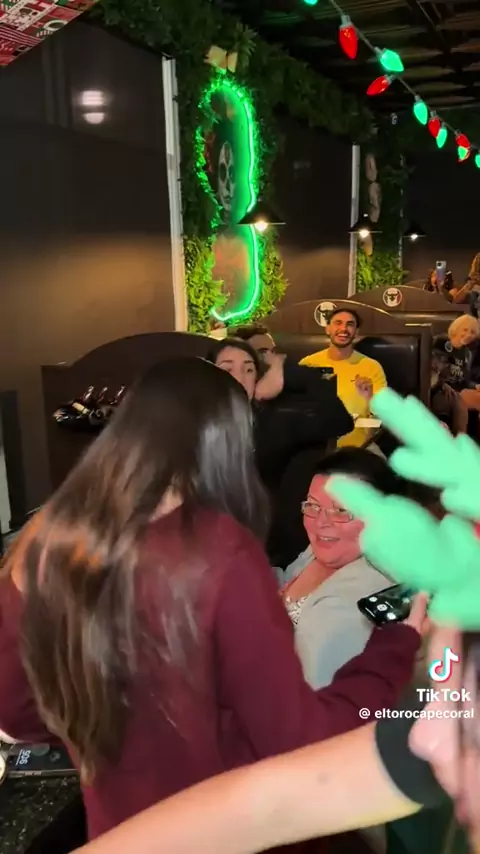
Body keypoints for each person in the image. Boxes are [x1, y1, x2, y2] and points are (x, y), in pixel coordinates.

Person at [0, 358, 424, 844]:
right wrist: (394, 647)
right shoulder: (218, 552)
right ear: (228, 443)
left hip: (121, 833)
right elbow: (299, 740)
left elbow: (17, 713)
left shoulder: (48, 539)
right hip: (222, 831)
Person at [72, 389, 480, 854]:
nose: (423, 737)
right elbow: (263, 802)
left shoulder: (346, 607)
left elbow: (299, 753)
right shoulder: (321, 558)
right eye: (312, 506)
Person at [276, 449, 419, 690]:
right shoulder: (331, 548)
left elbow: (313, 698)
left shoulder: (348, 604)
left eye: (341, 511)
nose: (321, 522)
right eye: (313, 506)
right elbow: (286, 579)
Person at [209, 337, 354, 564]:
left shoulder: (276, 424)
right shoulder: (191, 426)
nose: (239, 378)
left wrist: (285, 370)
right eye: (227, 369)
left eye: (249, 370)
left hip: (261, 549)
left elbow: (341, 420)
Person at [299, 309, 387, 448]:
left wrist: (369, 398)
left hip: (359, 447)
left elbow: (380, 420)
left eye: (350, 324)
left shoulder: (372, 367)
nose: (343, 329)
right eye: (338, 323)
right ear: (328, 329)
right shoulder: (308, 364)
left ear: (356, 332)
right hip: (315, 447)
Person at [433, 315, 480, 424]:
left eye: (472, 332)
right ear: (456, 328)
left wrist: (476, 386)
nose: (468, 334)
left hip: (459, 392)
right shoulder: (441, 342)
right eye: (465, 329)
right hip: (442, 392)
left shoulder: (466, 354)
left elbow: (465, 379)